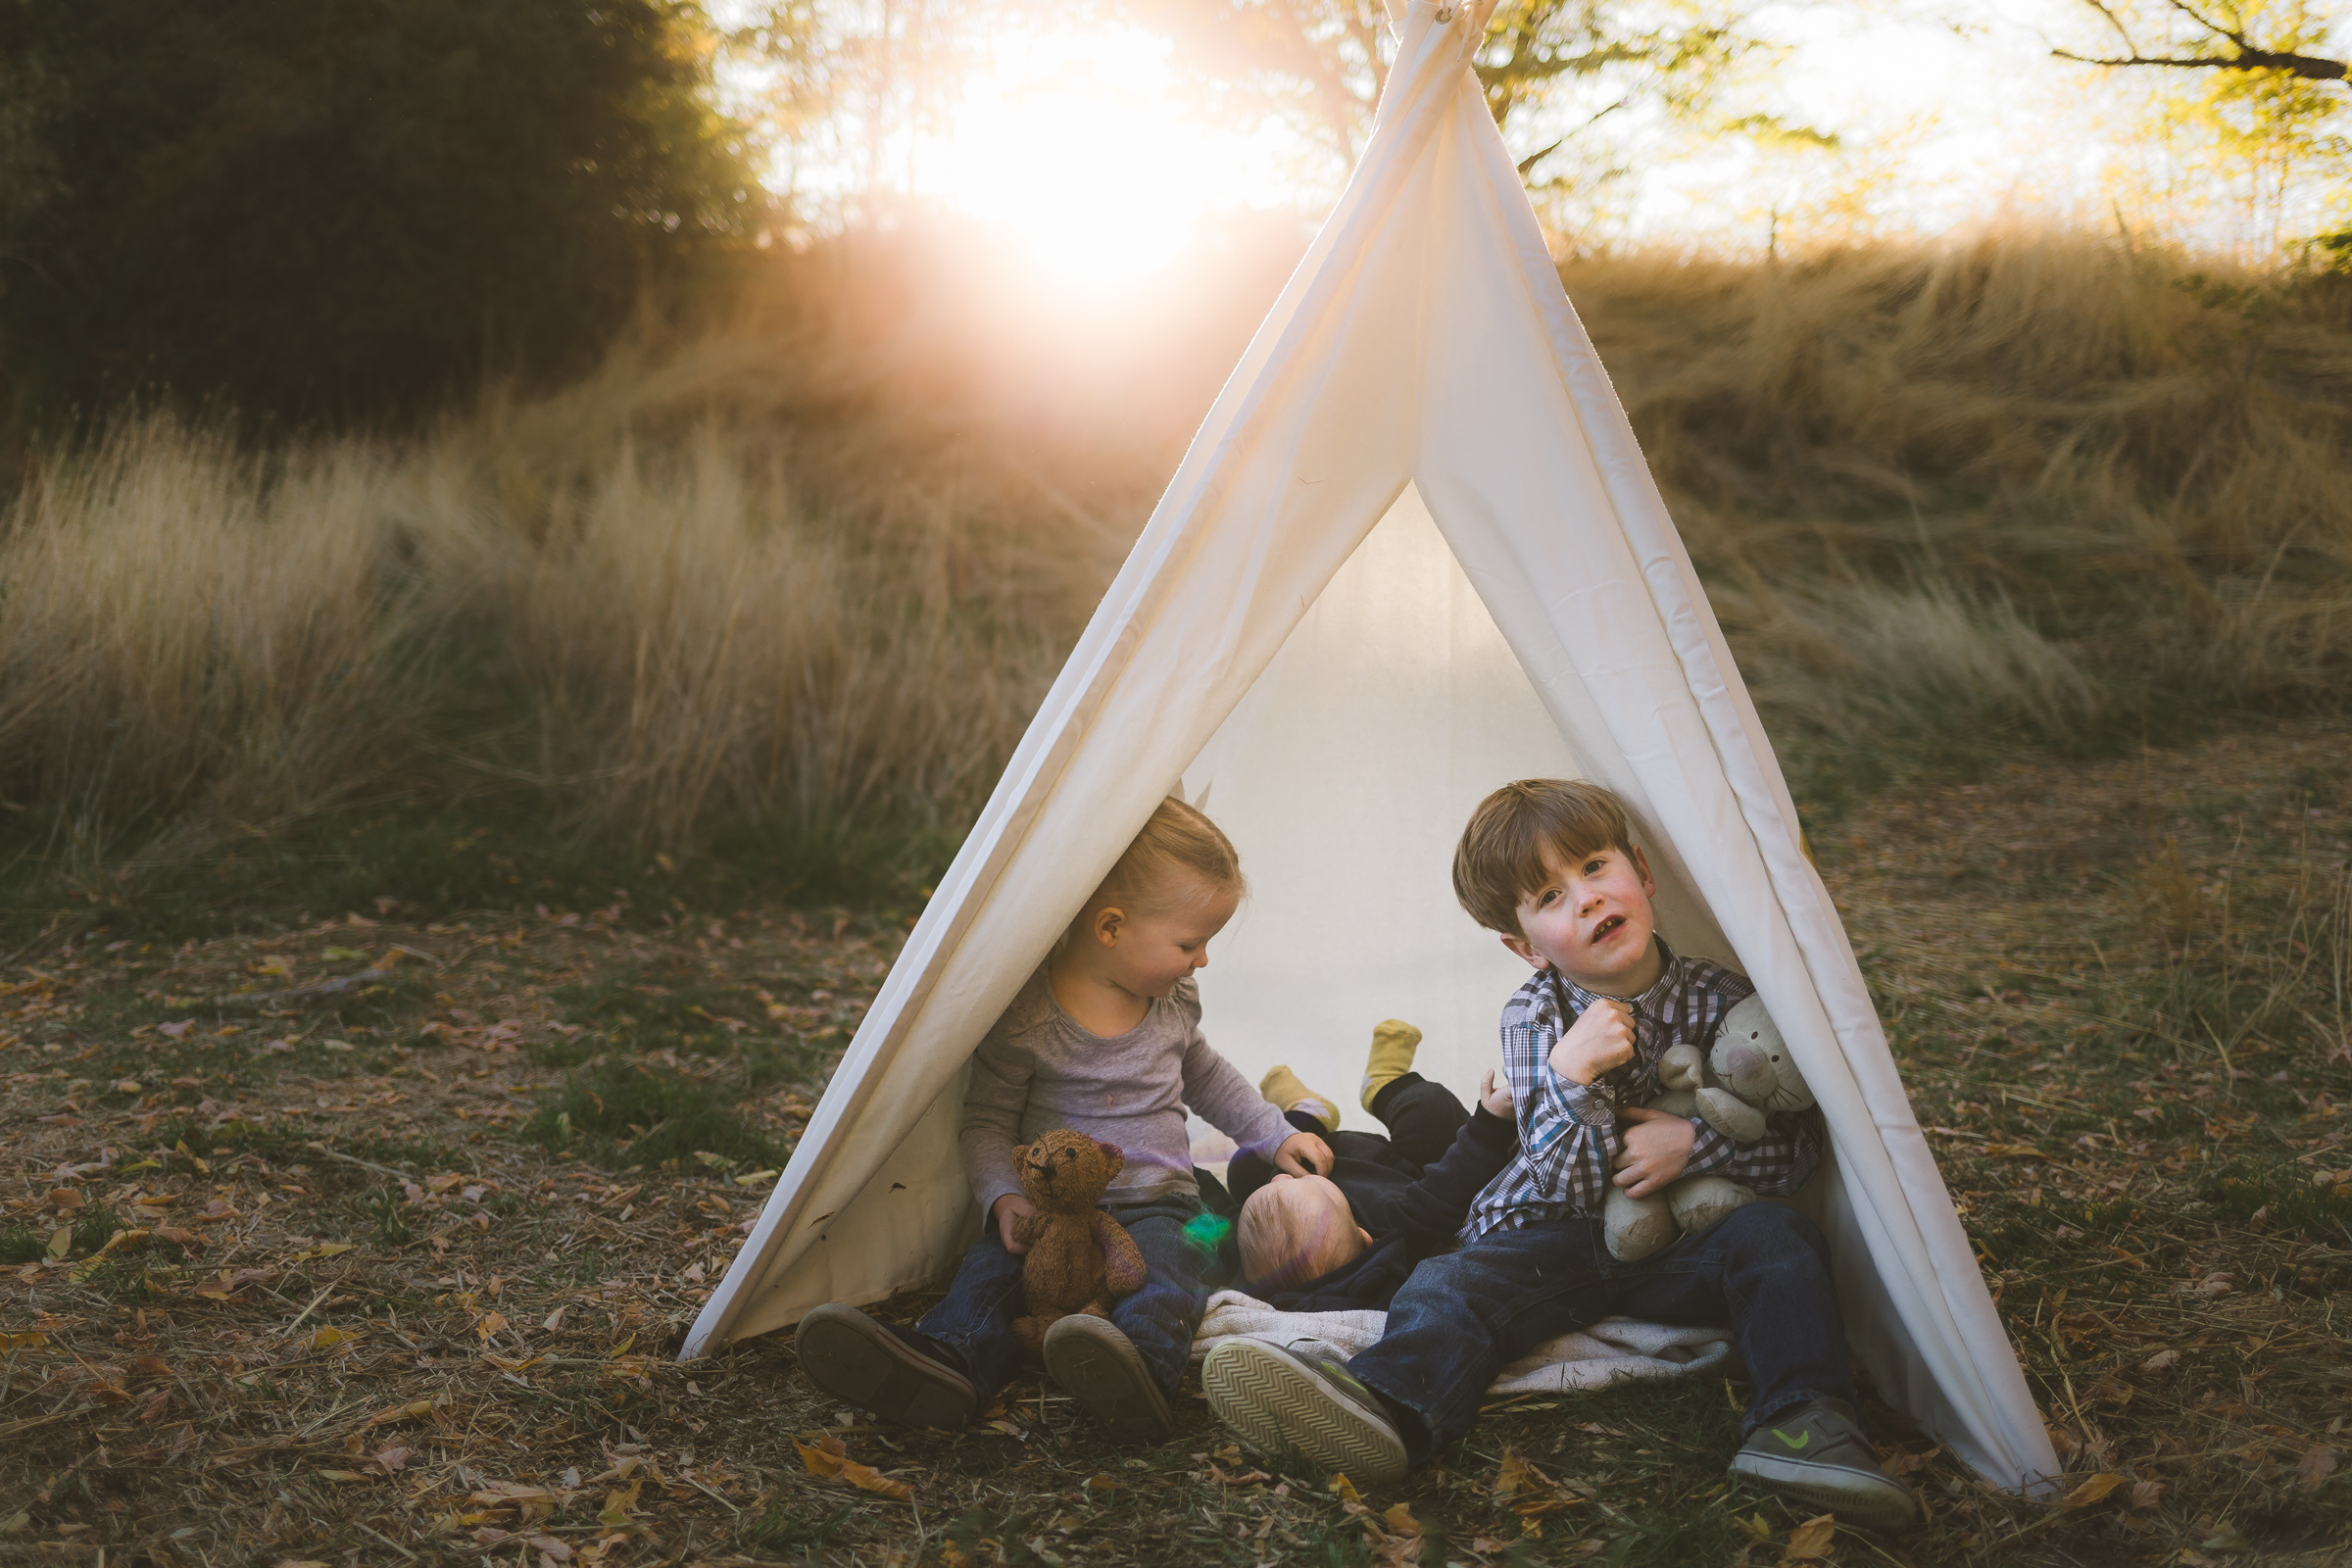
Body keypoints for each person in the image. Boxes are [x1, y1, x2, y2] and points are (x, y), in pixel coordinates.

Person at [1201, 779, 1919, 1533]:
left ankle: (1804, 1422)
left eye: (1595, 869)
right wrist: (1573, 1075)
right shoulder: (1535, 1016)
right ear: (1526, 948)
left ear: (1642, 873)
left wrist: (1694, 1143)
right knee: (1451, 1280)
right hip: (1547, 1238)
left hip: (1684, 1243)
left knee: (1782, 1241)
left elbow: (1804, 1148)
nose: (1584, 899)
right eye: (1549, 896)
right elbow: (1561, 1180)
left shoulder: (1723, 998)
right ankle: (1388, 1405)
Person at [795, 797, 1334, 1443]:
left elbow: (1208, 1076)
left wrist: (1275, 1134)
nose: (1202, 961)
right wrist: (1002, 1199)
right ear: (1110, 928)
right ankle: (945, 1362)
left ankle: (1133, 1371)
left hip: (1161, 1200)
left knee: (1174, 1268)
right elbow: (987, 1121)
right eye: (1190, 943)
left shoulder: (1173, 1000)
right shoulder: (1027, 1017)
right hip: (1053, 1212)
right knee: (991, 1275)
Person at [1233, 1024, 1518, 1308]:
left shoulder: (1257, 1272)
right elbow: (1446, 1190)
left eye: (1272, 1186)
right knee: (1431, 1105)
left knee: (1243, 1166)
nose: (1281, 1178)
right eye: (1301, 1183)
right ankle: (1383, 1084)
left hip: (1303, 1148)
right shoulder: (1397, 1232)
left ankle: (1309, 1113)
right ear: (1365, 1237)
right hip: (1407, 1168)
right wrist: (1490, 1125)